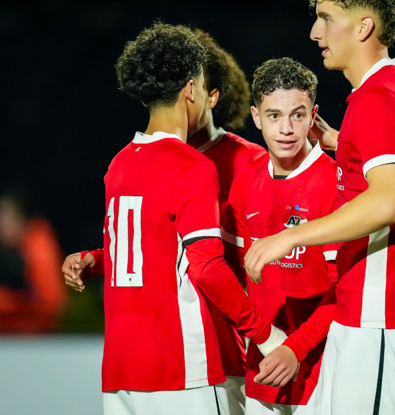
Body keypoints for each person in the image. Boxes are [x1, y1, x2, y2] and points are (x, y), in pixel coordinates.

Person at [244, 0, 395, 413]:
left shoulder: (378, 98)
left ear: (363, 26)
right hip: (370, 311)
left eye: (326, 18)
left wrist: (289, 237)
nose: (315, 32)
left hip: (381, 313)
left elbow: (390, 201)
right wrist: (348, 143)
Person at [64, 21, 285, 415]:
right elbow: (206, 268)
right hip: (183, 363)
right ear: (191, 89)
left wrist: (94, 260)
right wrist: (267, 335)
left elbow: (143, 248)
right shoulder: (191, 166)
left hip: (123, 367)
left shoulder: (120, 163)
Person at [221, 57, 339, 414]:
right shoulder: (246, 181)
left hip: (322, 371)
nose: (286, 128)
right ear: (256, 117)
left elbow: (345, 291)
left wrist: (294, 348)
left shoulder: (334, 183)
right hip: (264, 370)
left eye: (297, 115)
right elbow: (234, 274)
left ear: (313, 116)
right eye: (274, 115)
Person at [0, 188, 67, 334]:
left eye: (5, 221)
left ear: (21, 220)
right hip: (12, 337)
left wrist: (1, 301)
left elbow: (52, 303)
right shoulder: (14, 251)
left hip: (35, 339)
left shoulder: (39, 249)